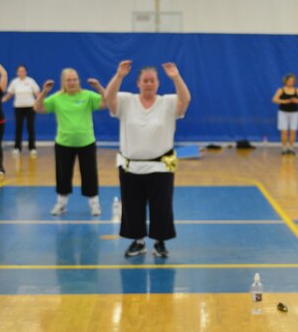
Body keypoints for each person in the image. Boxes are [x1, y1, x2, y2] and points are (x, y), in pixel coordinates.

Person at [104, 60, 191, 258]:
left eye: (153, 80)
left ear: (158, 83)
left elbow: (185, 101)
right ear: (138, 83)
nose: (149, 84)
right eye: (145, 80)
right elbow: (109, 98)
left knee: (162, 206)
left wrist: (176, 77)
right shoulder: (126, 101)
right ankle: (138, 241)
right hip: (130, 167)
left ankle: (160, 242)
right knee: (132, 206)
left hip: (161, 167)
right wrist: (119, 76)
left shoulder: (168, 102)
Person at [33, 68, 106, 217]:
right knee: (63, 175)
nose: (72, 83)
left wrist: (98, 87)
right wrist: (44, 92)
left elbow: (107, 102)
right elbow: (37, 108)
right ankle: (61, 204)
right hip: (64, 144)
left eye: (75, 79)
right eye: (69, 80)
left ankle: (94, 204)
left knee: (89, 174)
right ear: (64, 82)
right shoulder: (57, 98)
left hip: (86, 142)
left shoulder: (88, 96)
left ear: (78, 80)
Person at [2, 65, 41, 157]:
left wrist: (40, 102)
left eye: (23, 71)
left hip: (30, 107)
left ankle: (32, 148)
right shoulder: (14, 82)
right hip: (18, 107)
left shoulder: (31, 81)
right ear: (17, 72)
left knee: (30, 127)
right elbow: (10, 93)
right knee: (18, 127)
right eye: (20, 71)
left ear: (26, 72)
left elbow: (38, 93)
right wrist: (4, 99)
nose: (21, 72)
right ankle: (17, 148)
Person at [271, 73, 298, 155]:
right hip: (283, 112)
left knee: (293, 131)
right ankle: (284, 148)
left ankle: (291, 148)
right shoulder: (281, 90)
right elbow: (274, 99)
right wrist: (285, 101)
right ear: (286, 81)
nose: (291, 82)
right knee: (284, 131)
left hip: (294, 113)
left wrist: (296, 100)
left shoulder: (296, 90)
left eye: (292, 81)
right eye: (290, 81)